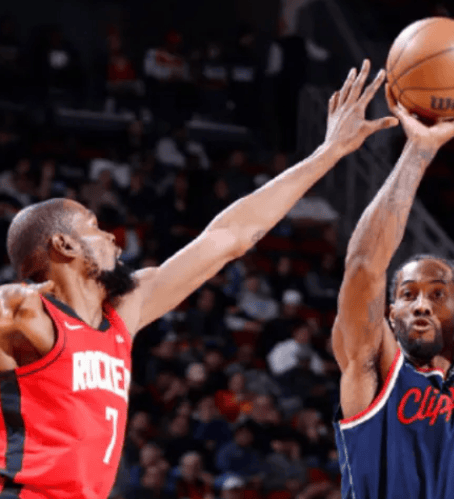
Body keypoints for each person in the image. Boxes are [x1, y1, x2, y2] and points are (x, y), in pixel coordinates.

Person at [0, 59, 397, 498]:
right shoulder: (25, 312)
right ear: (64, 245)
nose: (112, 236)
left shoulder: (123, 312)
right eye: (93, 226)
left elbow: (230, 236)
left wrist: (329, 152)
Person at [331, 25, 454, 498]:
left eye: (437, 294)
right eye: (408, 295)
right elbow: (363, 266)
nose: (421, 304)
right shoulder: (372, 369)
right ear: (389, 314)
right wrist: (419, 150)